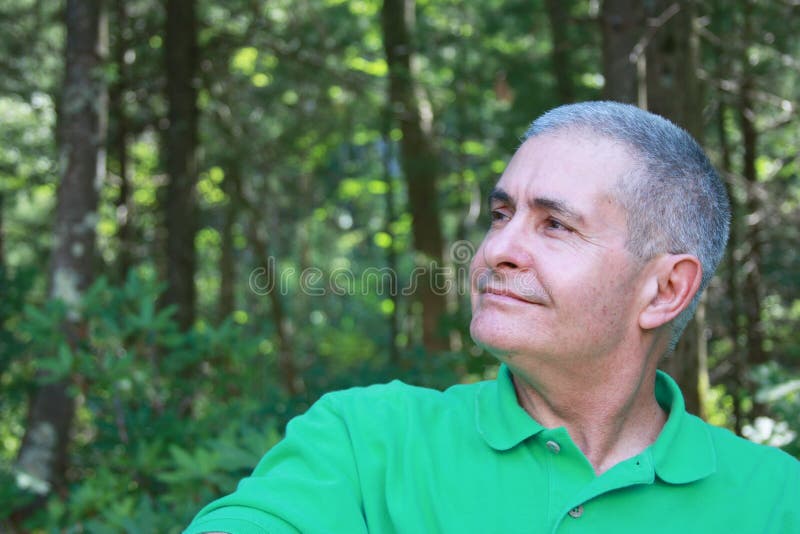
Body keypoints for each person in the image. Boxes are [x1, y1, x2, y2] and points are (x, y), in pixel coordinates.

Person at [184, 102, 799, 534]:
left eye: (555, 224)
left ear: (665, 290)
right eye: (502, 214)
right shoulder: (365, 440)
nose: (495, 249)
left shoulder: (778, 501)